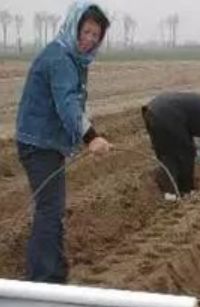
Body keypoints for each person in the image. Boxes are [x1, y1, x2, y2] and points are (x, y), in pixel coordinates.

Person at [16, 1, 111, 283]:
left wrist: (91, 131)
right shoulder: (60, 58)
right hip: (38, 143)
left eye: (96, 35)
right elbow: (67, 103)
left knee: (52, 209)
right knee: (50, 209)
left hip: (47, 142)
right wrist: (90, 137)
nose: (90, 40)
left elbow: (76, 104)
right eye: (87, 32)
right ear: (75, 27)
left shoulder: (72, 58)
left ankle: (54, 273)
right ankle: (43, 278)